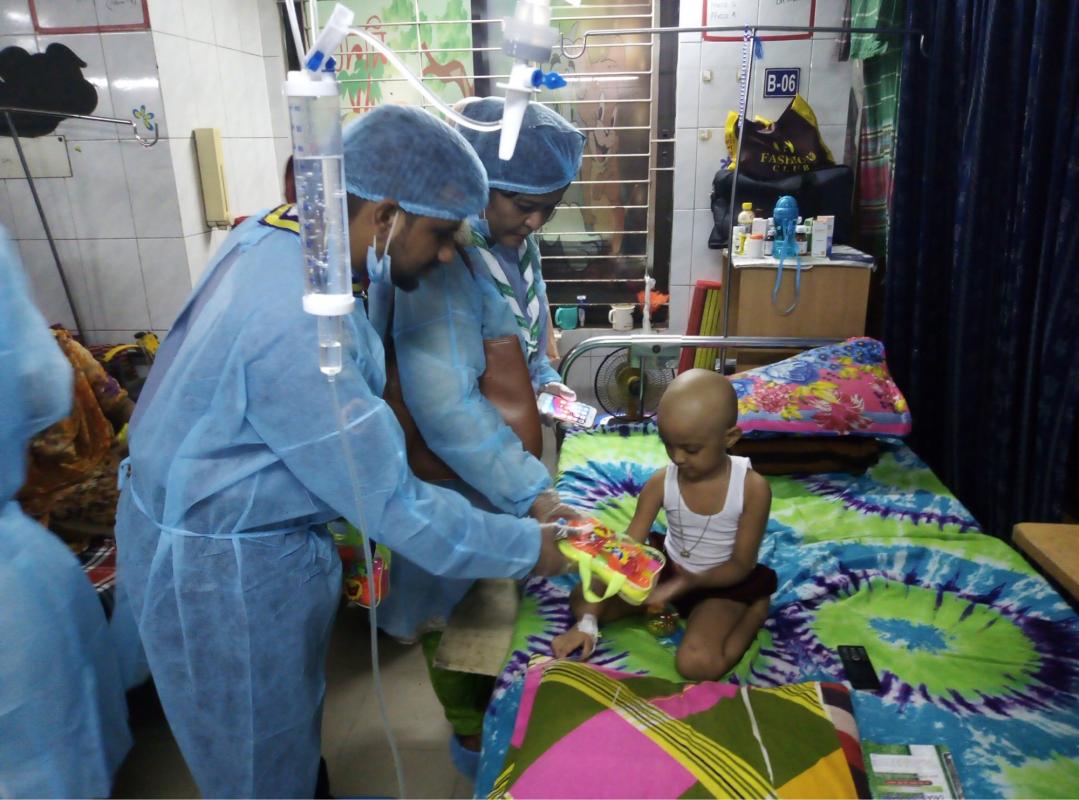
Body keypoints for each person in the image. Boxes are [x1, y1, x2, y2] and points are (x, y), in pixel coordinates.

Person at [114, 105, 569, 799]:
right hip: (225, 576)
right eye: (440, 234)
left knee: (282, 737)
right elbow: (397, 505)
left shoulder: (272, 234)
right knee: (257, 764)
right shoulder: (302, 325)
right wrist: (533, 546)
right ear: (384, 216)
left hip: (211, 533)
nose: (449, 255)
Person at [379, 97, 586, 760]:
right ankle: (470, 736)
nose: (535, 221)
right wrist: (533, 493)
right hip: (452, 477)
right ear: (475, 184)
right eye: (523, 205)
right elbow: (446, 408)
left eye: (549, 208)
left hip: (502, 463)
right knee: (455, 620)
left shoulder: (517, 250)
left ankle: (495, 714)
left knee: (500, 611)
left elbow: (524, 339)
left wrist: (550, 386)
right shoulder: (442, 259)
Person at [0, 228, 132, 796]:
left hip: (63, 495)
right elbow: (124, 410)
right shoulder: (59, 351)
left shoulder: (58, 354)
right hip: (82, 489)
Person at [551, 369, 777, 681]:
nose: (678, 458)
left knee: (696, 664)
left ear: (729, 438)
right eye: (669, 445)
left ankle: (756, 611)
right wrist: (594, 558)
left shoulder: (752, 489)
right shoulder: (661, 482)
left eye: (691, 449)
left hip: (722, 582)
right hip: (667, 569)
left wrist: (686, 583)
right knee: (582, 595)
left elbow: (740, 565)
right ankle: (587, 627)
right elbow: (629, 546)